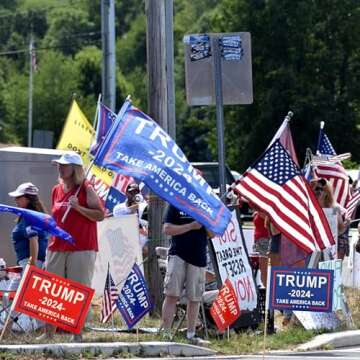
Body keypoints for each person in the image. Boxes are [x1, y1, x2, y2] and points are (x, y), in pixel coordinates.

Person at [39, 152, 104, 342]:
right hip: (56, 245)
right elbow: (56, 217)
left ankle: (77, 333)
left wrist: (78, 208)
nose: (60, 167)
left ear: (75, 168)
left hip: (82, 246)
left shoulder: (86, 188)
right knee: (51, 290)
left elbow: (100, 215)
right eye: (59, 164)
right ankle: (48, 332)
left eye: (64, 165)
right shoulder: (56, 189)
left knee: (77, 291)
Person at [160, 204, 209, 345]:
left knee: (195, 297)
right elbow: (167, 229)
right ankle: (166, 334)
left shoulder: (205, 206)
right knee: (171, 295)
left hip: (198, 256)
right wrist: (190, 226)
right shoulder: (175, 203)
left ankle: (191, 335)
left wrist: (207, 223)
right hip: (178, 255)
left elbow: (213, 233)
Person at [8, 182, 48, 268]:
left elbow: (34, 239)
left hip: (31, 263)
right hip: (31, 262)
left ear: (28, 199)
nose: (15, 199)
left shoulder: (29, 217)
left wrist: (32, 264)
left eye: (18, 197)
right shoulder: (34, 215)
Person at [311, 178, 348, 259]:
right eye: (317, 189)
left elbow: (340, 230)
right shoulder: (309, 208)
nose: (320, 191)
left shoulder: (334, 208)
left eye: (322, 189)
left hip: (329, 251)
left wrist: (346, 225)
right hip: (313, 251)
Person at [113, 182, 148, 249]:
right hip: (124, 245)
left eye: (136, 193)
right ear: (126, 193)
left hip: (141, 247)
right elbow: (127, 210)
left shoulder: (143, 207)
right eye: (131, 193)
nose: (133, 195)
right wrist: (138, 205)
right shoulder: (118, 208)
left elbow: (146, 227)